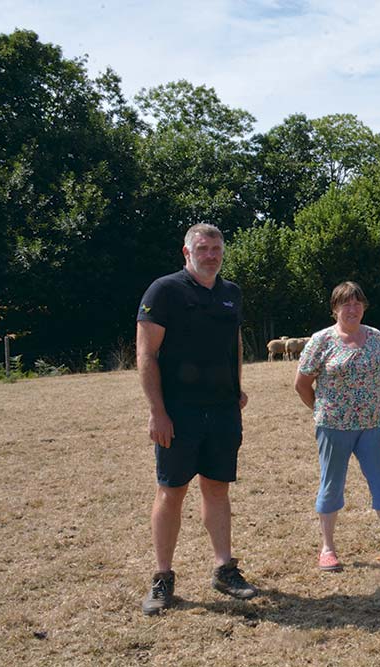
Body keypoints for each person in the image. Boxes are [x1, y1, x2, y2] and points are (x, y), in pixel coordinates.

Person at [136, 223, 257, 615]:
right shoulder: (164, 291)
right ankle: (162, 578)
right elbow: (146, 354)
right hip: (178, 413)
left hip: (223, 412)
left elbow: (235, 343)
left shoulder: (231, 293)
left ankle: (224, 568)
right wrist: (157, 411)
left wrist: (237, 387)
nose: (211, 255)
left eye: (216, 248)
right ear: (186, 252)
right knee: (171, 492)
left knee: (218, 488)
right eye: (203, 248)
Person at [294, 281, 380, 572]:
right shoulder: (321, 340)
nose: (352, 309)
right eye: (345, 304)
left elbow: (379, 376)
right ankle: (327, 549)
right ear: (334, 309)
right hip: (333, 426)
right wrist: (320, 409)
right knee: (331, 485)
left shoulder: (376, 337)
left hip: (371, 424)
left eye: (357, 303)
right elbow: (301, 384)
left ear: (364, 306)